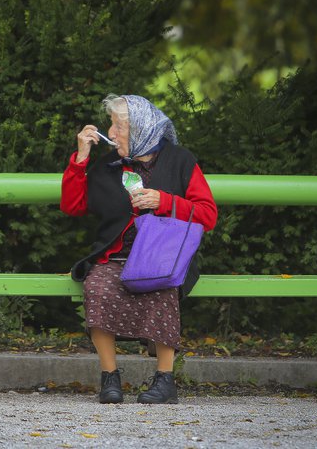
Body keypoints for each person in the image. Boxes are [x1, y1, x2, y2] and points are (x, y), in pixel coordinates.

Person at [60, 94, 217, 404]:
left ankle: (165, 381)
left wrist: (165, 201)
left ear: (143, 129)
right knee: (98, 287)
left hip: (162, 258)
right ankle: (110, 379)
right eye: (112, 125)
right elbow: (72, 205)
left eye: (119, 126)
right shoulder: (107, 166)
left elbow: (208, 214)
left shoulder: (180, 160)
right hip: (115, 256)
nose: (111, 132)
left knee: (162, 290)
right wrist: (80, 158)